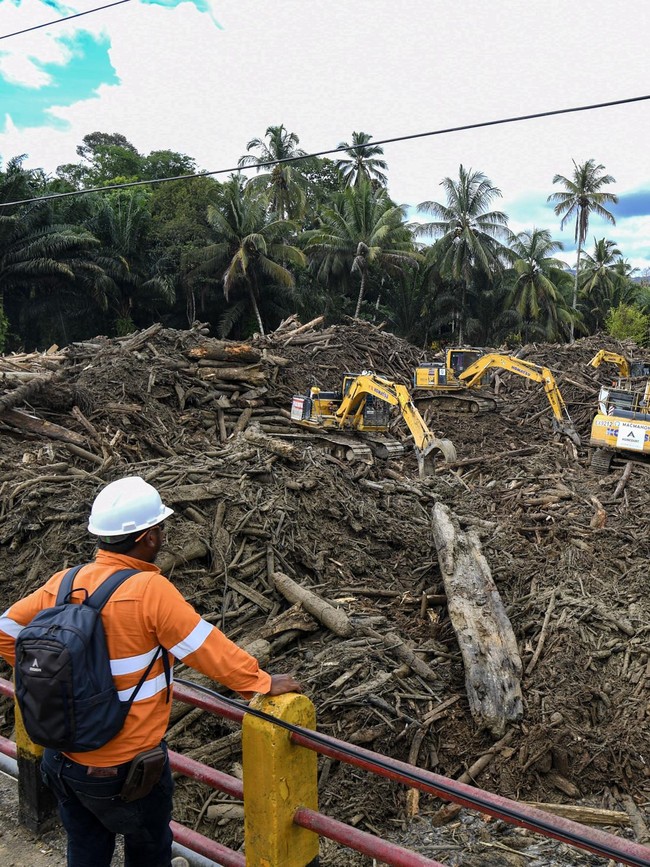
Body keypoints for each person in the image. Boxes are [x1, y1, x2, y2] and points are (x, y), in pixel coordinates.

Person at [0, 476, 302, 867]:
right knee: (150, 852)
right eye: (159, 529)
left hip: (61, 760)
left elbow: (6, 632)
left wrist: (44, 678)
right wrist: (260, 682)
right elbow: (204, 647)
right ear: (148, 538)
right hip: (127, 770)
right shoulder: (149, 591)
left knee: (86, 848)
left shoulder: (65, 582)